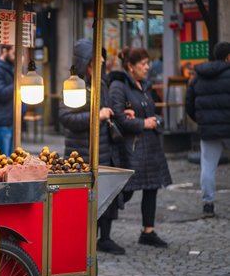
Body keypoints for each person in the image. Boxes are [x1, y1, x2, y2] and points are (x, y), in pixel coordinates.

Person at [59, 39, 129, 255]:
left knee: (107, 194)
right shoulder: (73, 84)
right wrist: (95, 116)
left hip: (105, 147)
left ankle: (104, 237)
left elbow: (108, 108)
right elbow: (65, 117)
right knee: (83, 198)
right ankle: (83, 238)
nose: (102, 60)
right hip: (81, 151)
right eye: (96, 56)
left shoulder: (101, 82)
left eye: (102, 56)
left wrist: (121, 113)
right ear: (85, 60)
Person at [109, 46, 172, 248]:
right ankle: (100, 230)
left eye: (147, 63)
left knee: (152, 187)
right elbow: (117, 117)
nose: (147, 67)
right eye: (143, 64)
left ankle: (148, 231)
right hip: (132, 146)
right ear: (130, 66)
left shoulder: (145, 85)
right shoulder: (119, 85)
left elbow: (153, 109)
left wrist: (154, 121)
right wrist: (142, 124)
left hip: (150, 145)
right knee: (124, 191)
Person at [185, 41, 230, 217]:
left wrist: (201, 120)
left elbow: (189, 103)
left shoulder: (198, 76)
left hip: (208, 130)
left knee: (208, 167)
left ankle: (208, 204)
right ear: (228, 57)